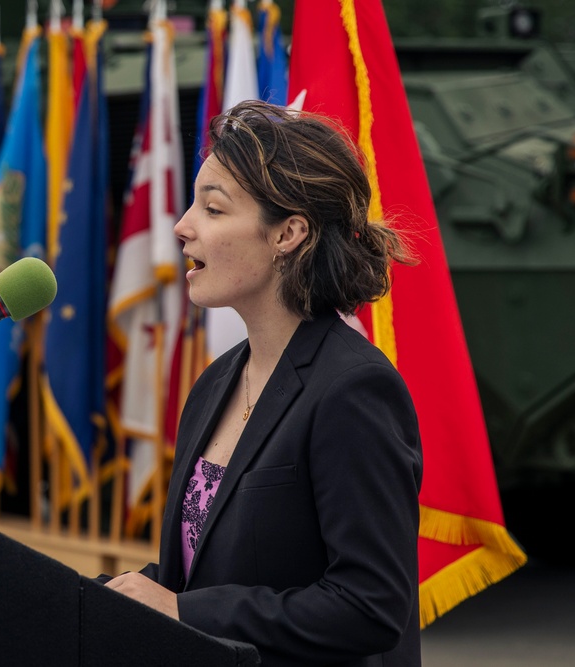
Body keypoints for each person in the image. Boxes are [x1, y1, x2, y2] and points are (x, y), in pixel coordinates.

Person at [102, 100, 423, 666]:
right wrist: (105, 595)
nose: (182, 226)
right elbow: (203, 569)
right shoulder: (215, 383)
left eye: (214, 209)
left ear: (289, 234)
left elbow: (371, 606)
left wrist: (184, 612)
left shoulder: (354, 389)